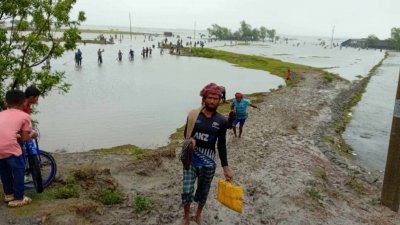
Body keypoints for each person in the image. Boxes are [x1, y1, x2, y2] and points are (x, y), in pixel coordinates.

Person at [180, 83, 233, 225]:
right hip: (190, 160)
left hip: (209, 163)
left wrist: (226, 167)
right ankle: (186, 217)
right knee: (186, 191)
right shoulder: (193, 115)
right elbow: (186, 135)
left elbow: (221, 144)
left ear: (220, 100)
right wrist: (191, 142)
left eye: (216, 98)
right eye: (210, 98)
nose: (212, 101)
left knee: (203, 192)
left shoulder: (221, 121)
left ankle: (198, 215)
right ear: (204, 99)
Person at [0, 90, 38, 207]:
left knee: (4, 170)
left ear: (6, 103)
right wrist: (33, 135)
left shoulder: (1, 113)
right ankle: (19, 198)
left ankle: (9, 195)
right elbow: (25, 138)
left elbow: (4, 131)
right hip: (11, 147)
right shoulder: (24, 116)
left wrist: (15, 135)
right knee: (19, 169)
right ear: (23, 102)